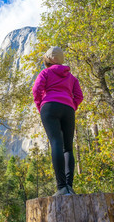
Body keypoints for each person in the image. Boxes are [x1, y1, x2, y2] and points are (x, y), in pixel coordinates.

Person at [32, 46, 84, 196]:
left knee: (56, 143)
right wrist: (71, 105)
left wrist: (40, 106)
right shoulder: (72, 78)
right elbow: (79, 96)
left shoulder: (45, 72)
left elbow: (36, 90)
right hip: (68, 109)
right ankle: (69, 187)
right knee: (68, 148)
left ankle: (61, 187)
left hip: (49, 107)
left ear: (48, 60)